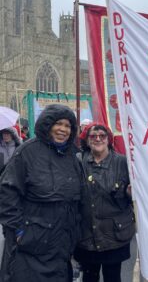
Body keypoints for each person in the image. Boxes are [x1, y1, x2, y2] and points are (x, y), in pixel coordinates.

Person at [0, 104, 82, 282]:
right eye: (58, 124)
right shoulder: (27, 152)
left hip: (61, 243)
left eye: (68, 126)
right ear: (47, 125)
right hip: (31, 244)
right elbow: (7, 193)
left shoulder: (72, 155)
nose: (63, 129)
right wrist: (19, 231)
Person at [74, 122, 135, 282]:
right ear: (87, 140)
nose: (98, 139)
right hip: (86, 234)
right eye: (93, 136)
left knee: (112, 277)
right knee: (89, 277)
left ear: (108, 139)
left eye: (102, 136)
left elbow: (135, 194)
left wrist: (130, 194)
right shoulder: (77, 162)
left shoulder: (123, 162)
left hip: (114, 235)